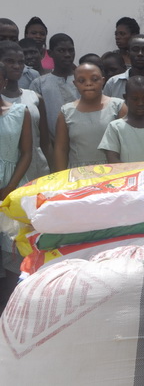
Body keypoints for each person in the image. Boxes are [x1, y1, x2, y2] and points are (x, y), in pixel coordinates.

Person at [0, 61, 33, 312]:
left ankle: (11, 311)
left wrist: (10, 187)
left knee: (13, 251)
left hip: (12, 189)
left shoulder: (21, 112)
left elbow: (27, 153)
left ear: (4, 82)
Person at [53, 63, 126, 170]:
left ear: (103, 80)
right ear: (75, 83)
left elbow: (127, 145)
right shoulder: (66, 112)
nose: (88, 84)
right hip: (78, 173)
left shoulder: (117, 107)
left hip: (112, 170)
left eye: (94, 79)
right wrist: (61, 176)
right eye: (82, 80)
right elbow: (61, 149)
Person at [0, 41, 51, 181]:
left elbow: (45, 142)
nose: (16, 66)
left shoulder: (35, 98)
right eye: (10, 61)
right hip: (6, 175)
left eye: (21, 62)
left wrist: (52, 171)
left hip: (36, 170)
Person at [103, 34, 144, 115]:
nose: (140, 54)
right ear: (128, 54)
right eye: (135, 50)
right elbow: (105, 113)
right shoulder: (113, 83)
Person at [30, 33, 79, 139]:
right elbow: (35, 119)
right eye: (61, 50)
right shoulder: (39, 83)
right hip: (52, 143)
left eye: (71, 50)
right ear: (50, 53)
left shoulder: (83, 80)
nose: (67, 55)